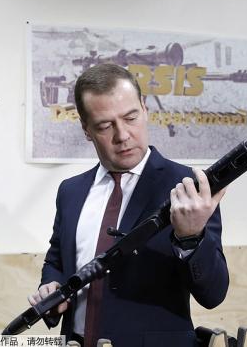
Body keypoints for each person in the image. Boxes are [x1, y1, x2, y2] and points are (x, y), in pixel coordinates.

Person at [28, 63, 229, 347]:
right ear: (86, 129)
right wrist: (51, 288)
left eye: (131, 117)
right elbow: (57, 261)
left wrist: (191, 237)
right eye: (104, 125)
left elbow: (213, 294)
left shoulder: (189, 188)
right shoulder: (70, 191)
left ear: (145, 109)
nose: (122, 135)